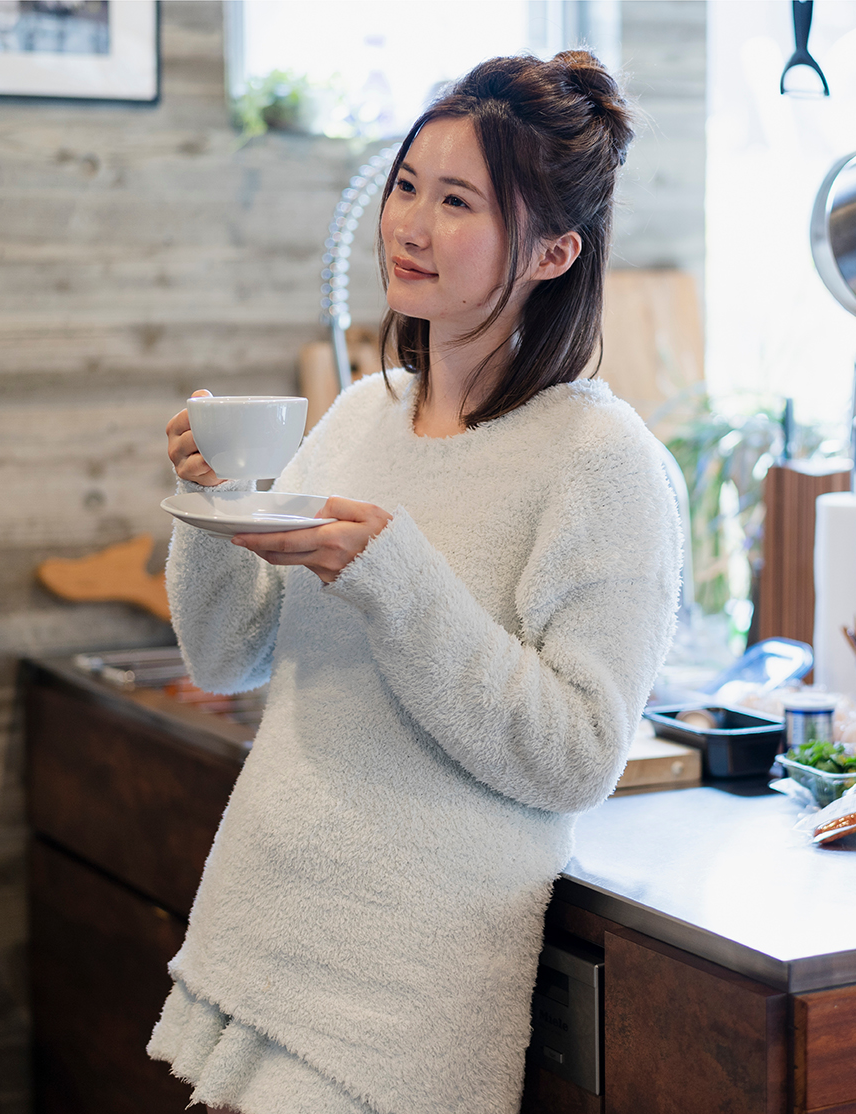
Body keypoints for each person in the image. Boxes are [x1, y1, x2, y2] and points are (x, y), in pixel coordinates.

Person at [149, 51, 680, 1114]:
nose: (410, 225)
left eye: (457, 202)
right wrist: (215, 501)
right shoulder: (362, 414)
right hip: (259, 940)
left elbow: (579, 756)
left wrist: (396, 581)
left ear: (555, 251)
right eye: (406, 187)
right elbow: (225, 654)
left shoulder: (602, 460)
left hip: (396, 1000)